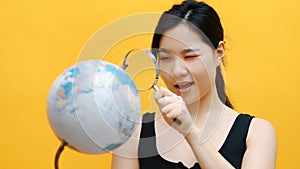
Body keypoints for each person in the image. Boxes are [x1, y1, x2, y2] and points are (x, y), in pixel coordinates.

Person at [111, 0, 277, 168]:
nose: (177, 71)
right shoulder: (135, 133)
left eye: (190, 56)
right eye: (166, 58)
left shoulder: (257, 132)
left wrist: (190, 131)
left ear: (219, 53)